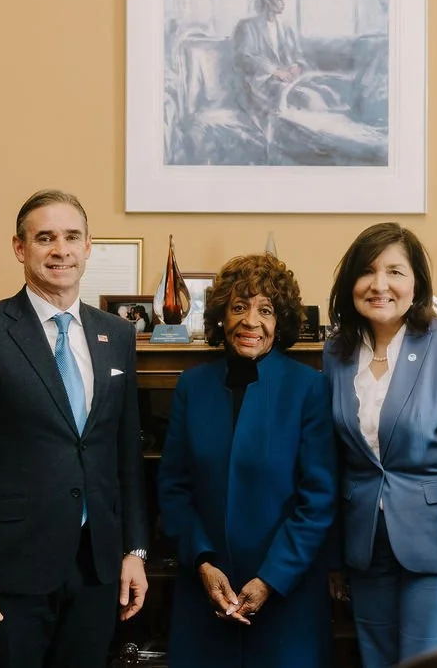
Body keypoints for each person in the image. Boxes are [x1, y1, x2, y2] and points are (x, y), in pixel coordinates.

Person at [0, 189, 149, 668]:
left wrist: (135, 550)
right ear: (19, 247)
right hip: (9, 571)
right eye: (44, 238)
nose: (60, 250)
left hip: (96, 568)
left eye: (71, 237)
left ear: (89, 247)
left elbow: (124, 454)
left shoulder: (118, 335)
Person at [323, 223, 437, 667]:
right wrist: (336, 558)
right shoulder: (337, 352)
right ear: (351, 284)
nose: (380, 285)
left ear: (416, 282)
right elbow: (337, 462)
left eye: (395, 272)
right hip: (367, 552)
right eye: (367, 272)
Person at [157, 253, 337, 668]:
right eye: (238, 307)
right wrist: (202, 561)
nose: (250, 321)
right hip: (205, 590)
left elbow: (319, 499)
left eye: (265, 310)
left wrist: (271, 579)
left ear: (282, 321)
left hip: (286, 593)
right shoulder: (193, 386)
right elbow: (174, 486)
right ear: (221, 316)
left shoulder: (309, 388)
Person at [232, 0, 340, 129]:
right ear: (267, 0)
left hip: (289, 79)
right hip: (262, 83)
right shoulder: (247, 26)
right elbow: (244, 57)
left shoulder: (286, 28)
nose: (283, 3)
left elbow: (298, 55)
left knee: (325, 89)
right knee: (308, 98)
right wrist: (275, 71)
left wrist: (296, 66)